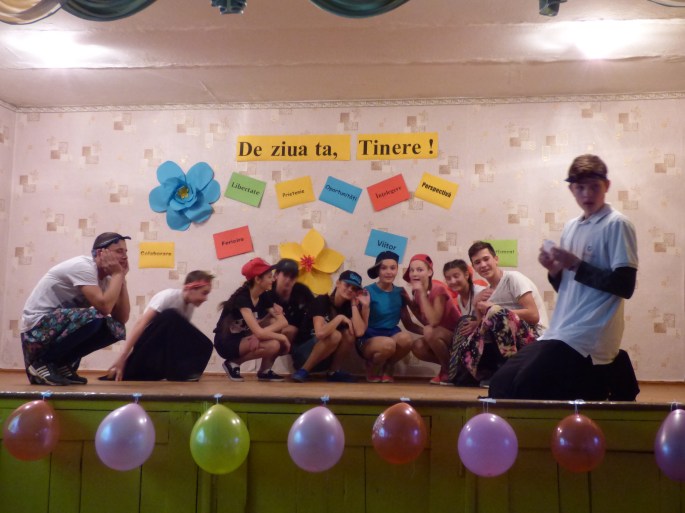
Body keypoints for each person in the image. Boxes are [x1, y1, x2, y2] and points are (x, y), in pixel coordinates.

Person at [489, 154, 639, 401]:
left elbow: (625, 285)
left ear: (607, 186)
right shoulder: (571, 227)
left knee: (527, 386)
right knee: (500, 385)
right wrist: (554, 271)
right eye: (580, 188)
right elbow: (568, 288)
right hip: (559, 330)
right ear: (571, 189)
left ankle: (604, 380)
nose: (587, 194)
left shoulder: (618, 224)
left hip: (590, 334)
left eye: (594, 187)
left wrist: (575, 264)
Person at [20, 232, 131, 385]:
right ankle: (42, 363)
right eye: (119, 251)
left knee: (115, 328)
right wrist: (117, 274)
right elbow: (104, 307)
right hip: (35, 329)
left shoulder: (107, 278)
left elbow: (121, 318)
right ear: (101, 253)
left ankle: (61, 363)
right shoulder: (83, 266)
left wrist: (121, 279)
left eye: (125, 252)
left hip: (55, 328)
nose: (125, 257)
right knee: (94, 316)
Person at [448, 241, 548, 387]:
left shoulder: (513, 278)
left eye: (486, 259)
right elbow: (485, 325)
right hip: (505, 343)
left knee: (496, 312)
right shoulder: (486, 292)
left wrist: (495, 309)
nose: (483, 265)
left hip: (535, 338)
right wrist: (476, 305)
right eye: (477, 262)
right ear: (474, 268)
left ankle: (506, 374)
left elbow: (534, 315)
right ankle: (472, 373)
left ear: (496, 259)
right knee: (468, 325)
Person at [102, 270, 215, 381]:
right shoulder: (168, 296)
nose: (205, 298)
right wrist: (122, 358)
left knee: (206, 345)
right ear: (189, 288)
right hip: (148, 345)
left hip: (163, 350)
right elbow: (141, 324)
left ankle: (184, 374)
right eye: (204, 293)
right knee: (171, 315)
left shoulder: (189, 306)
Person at [214, 257, 290, 382]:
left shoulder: (263, 295)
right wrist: (282, 338)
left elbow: (283, 322)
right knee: (274, 344)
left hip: (243, 336)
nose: (273, 279)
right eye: (269, 277)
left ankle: (265, 371)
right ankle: (233, 363)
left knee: (273, 322)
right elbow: (259, 332)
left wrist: (259, 333)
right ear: (258, 279)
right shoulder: (242, 298)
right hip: (226, 342)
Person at [291, 270, 369, 383]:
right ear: (338, 283)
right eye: (347, 285)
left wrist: (356, 305)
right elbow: (320, 333)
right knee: (335, 335)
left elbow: (359, 332)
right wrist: (339, 318)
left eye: (354, 289)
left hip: (325, 357)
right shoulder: (322, 300)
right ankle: (303, 370)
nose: (350, 290)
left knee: (349, 334)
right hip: (303, 355)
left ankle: (333, 372)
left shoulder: (348, 307)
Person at [358, 251, 414, 383]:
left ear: (397, 270)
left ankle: (388, 367)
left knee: (407, 339)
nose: (389, 272)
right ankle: (372, 366)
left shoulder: (400, 292)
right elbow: (359, 324)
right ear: (378, 270)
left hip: (391, 334)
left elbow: (408, 323)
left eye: (392, 268)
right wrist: (365, 307)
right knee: (388, 344)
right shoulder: (367, 291)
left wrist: (427, 331)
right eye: (384, 268)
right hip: (369, 337)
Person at [405, 254, 461, 385]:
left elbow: (434, 321)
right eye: (412, 270)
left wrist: (422, 294)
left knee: (429, 331)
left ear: (429, 272)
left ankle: (448, 371)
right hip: (443, 335)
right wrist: (410, 303)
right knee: (418, 346)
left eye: (419, 270)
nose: (414, 273)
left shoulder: (438, 289)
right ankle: (453, 367)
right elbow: (426, 320)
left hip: (460, 337)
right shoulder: (417, 292)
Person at [270, 258, 315, 345]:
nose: (288, 280)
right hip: (276, 340)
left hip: (304, 337)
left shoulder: (302, 291)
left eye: (292, 277)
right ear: (276, 275)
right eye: (285, 275)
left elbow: (316, 311)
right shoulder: (267, 293)